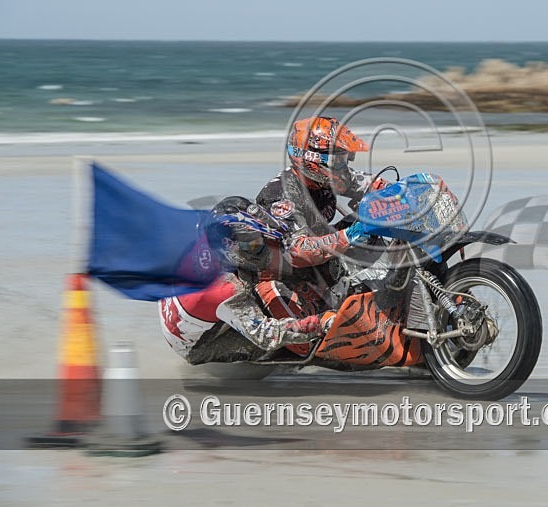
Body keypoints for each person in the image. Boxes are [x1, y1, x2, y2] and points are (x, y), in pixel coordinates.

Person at [158, 196, 332, 365]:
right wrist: (319, 323)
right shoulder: (225, 289)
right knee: (275, 336)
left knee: (271, 272)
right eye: (254, 245)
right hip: (197, 344)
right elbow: (266, 334)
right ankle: (312, 354)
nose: (263, 247)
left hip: (185, 307)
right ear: (228, 248)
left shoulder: (209, 233)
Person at [255, 116, 388, 321]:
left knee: (369, 218)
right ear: (310, 159)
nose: (343, 167)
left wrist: (409, 193)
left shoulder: (326, 179)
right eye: (337, 160)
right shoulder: (281, 196)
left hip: (320, 264)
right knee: (311, 341)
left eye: (345, 159)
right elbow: (297, 251)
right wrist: (349, 236)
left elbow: (374, 185)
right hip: (285, 278)